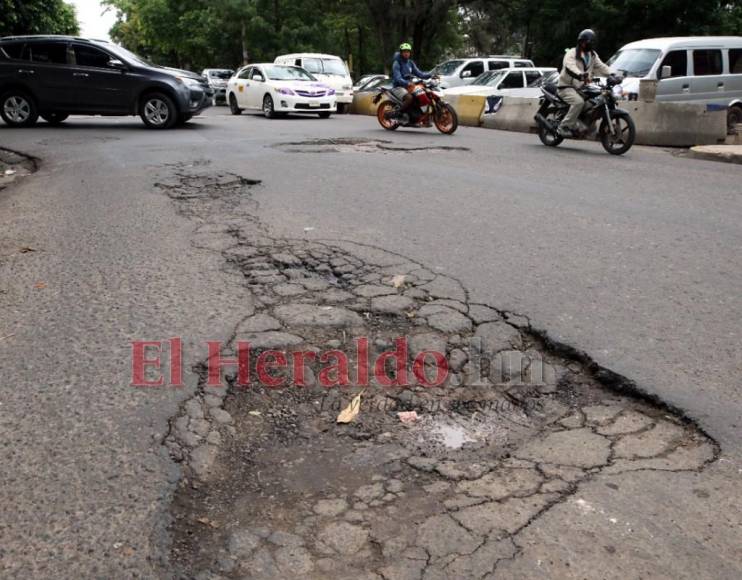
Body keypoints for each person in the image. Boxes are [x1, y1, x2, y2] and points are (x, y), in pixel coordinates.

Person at [557, 29, 614, 137]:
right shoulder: (572, 53)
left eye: (591, 42)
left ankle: (583, 124)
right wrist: (580, 74)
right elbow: (570, 66)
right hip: (566, 87)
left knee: (593, 103)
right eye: (587, 42)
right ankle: (564, 126)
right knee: (578, 102)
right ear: (581, 42)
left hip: (581, 88)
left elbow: (601, 67)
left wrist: (613, 74)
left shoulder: (592, 55)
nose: (588, 44)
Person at [391, 43, 432, 122]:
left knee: (421, 93)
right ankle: (398, 114)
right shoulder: (397, 63)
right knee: (409, 98)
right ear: (401, 53)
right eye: (404, 51)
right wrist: (407, 83)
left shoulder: (410, 63)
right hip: (398, 87)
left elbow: (420, 74)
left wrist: (431, 75)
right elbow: (397, 78)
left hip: (409, 86)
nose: (406, 53)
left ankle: (418, 115)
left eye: (408, 51)